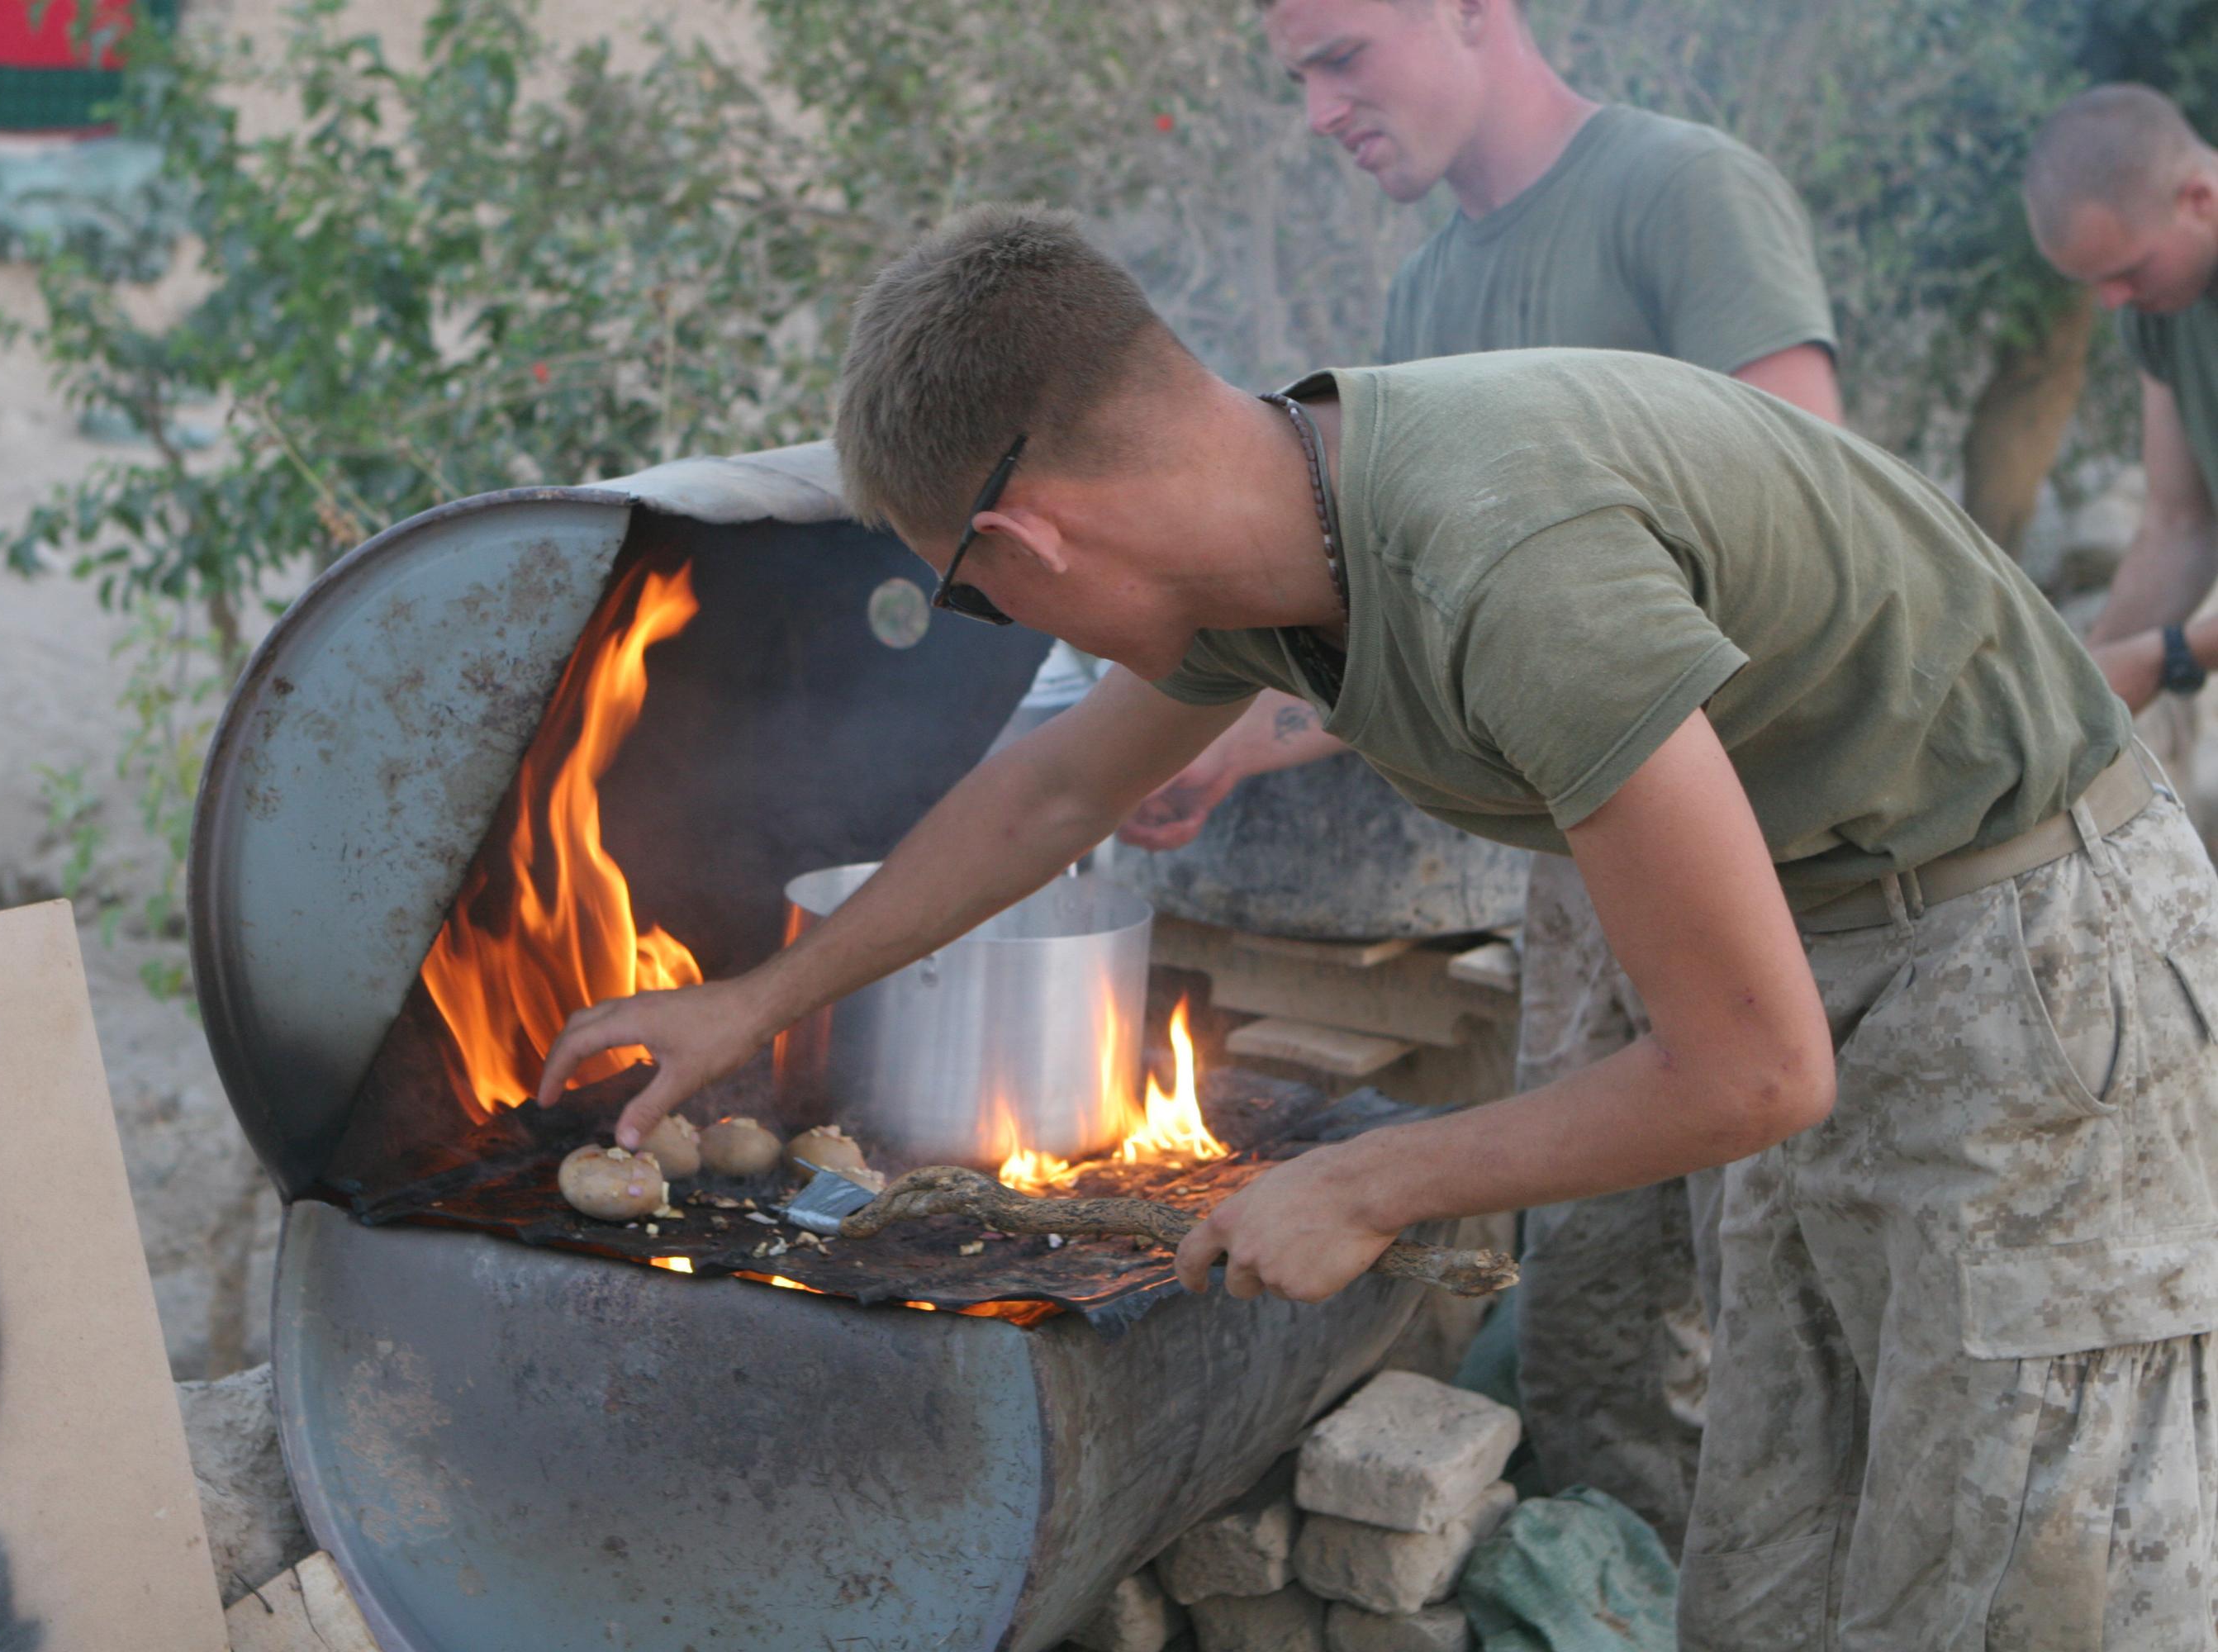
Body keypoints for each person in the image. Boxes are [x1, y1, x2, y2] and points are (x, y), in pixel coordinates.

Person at [545, 207, 2218, 1648]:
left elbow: (1754, 1070)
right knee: (1777, 1548)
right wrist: (754, 995)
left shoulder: (1508, 569)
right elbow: (1046, 799)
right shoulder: (1270, 545)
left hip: (2025, 969)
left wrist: (1363, 1175)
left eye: (976, 595)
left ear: (1031, 535)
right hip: (1831, 932)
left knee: (2020, 1577)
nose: (1002, 628)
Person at [1123, 0, 1844, 1547]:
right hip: (1579, 868)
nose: (1319, 110)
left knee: (1771, 1310)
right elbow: (1432, 610)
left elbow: (1807, 496)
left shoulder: (1680, 189)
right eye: (1298, 76)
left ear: (1472, 13)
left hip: (1770, 862)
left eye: (1341, 57)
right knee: (1587, 1298)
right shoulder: (1434, 283)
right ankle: (1607, 1579)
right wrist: (1250, 742)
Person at [2027, 84, 2218, 840]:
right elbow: (2179, 525)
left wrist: (2167, 655)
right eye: (2094, 281)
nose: (2111, 301)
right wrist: (2071, 696)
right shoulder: (2162, 310)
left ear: (2197, 198)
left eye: (2128, 271)